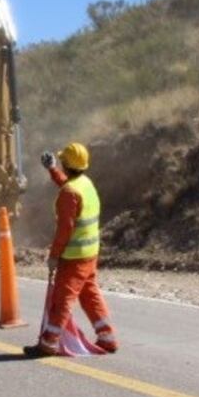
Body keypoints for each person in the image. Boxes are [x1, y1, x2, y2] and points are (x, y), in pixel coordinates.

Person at [25, 142, 119, 356]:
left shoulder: (69, 192)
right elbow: (68, 186)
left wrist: (54, 256)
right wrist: (52, 169)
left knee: (61, 299)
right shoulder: (85, 183)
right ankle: (107, 337)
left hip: (74, 257)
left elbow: (64, 229)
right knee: (90, 296)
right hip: (90, 253)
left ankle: (49, 342)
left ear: (66, 165)